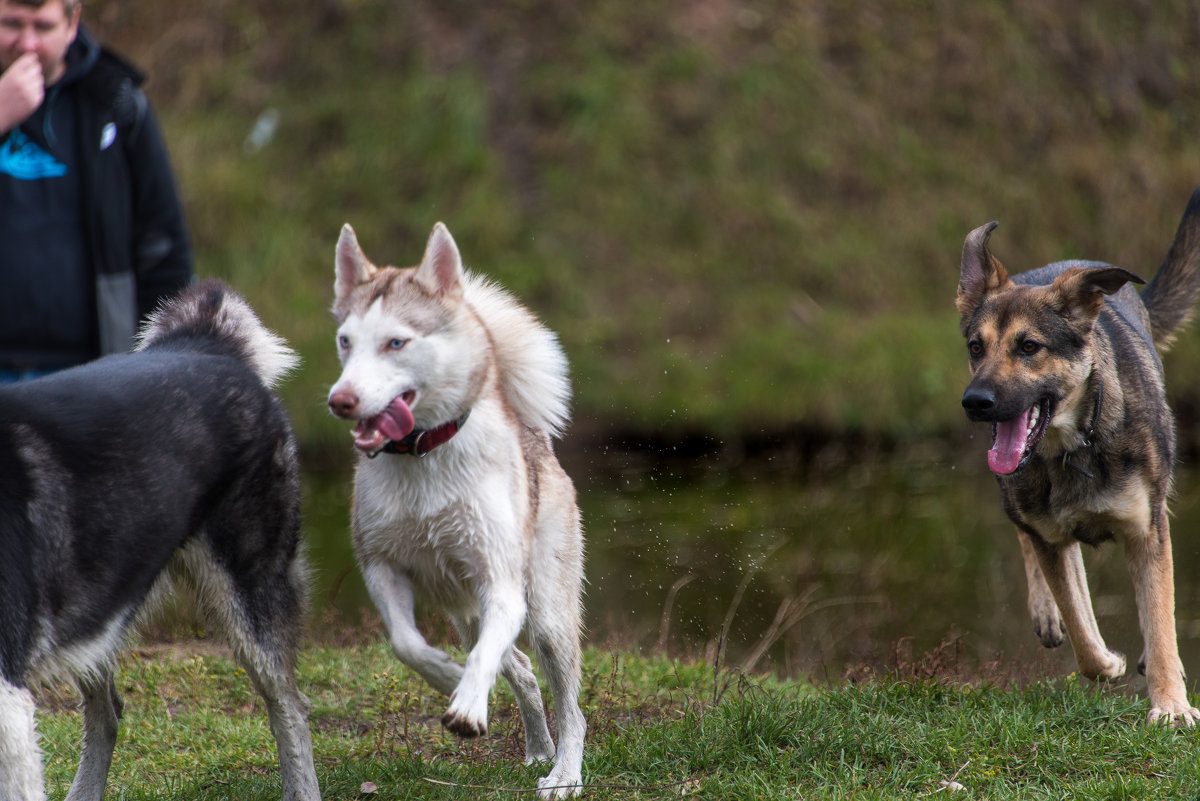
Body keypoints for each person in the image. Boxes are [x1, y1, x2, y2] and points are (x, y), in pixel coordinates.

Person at [0, 0, 192, 380]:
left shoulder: (116, 103)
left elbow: (163, 249)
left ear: (72, 23)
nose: (27, 44)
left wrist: (164, 367)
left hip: (92, 378)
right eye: (11, 24)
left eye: (43, 27)